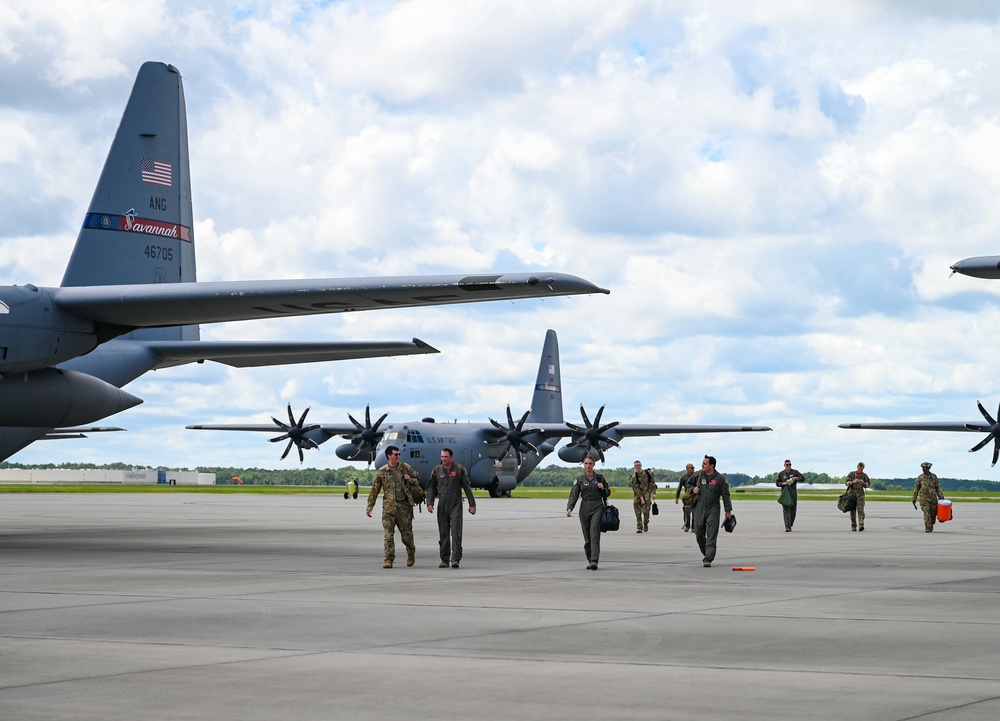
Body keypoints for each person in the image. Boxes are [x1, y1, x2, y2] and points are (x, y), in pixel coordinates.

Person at [366, 446, 421, 568]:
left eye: (399, 454)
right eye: (396, 454)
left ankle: (411, 552)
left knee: (407, 535)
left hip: (404, 508)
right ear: (389, 456)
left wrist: (410, 479)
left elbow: (418, 480)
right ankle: (388, 559)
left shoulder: (405, 467)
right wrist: (370, 506)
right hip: (388, 508)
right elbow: (375, 490)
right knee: (388, 535)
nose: (398, 456)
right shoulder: (382, 471)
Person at [426, 447, 477, 568]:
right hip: (442, 505)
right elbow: (431, 487)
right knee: (443, 533)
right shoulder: (437, 470)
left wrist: (472, 504)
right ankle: (444, 559)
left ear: (451, 457)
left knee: (456, 532)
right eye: (442, 457)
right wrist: (430, 503)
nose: (444, 459)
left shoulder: (459, 470)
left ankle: (455, 559)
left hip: (456, 505)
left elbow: (467, 487)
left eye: (446, 457)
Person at [566, 457, 610, 570]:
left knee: (594, 532)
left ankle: (595, 560)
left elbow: (608, 492)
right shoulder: (580, 479)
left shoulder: (600, 478)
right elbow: (574, 494)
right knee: (587, 537)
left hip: (597, 506)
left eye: (590, 463)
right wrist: (570, 508)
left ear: (594, 465)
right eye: (586, 463)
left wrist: (603, 488)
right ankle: (590, 560)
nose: (588, 465)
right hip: (584, 507)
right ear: (583, 465)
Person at [690, 455, 733, 567]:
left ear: (712, 465)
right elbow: (689, 484)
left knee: (711, 533)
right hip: (699, 507)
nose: (702, 465)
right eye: (702, 463)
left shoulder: (720, 479)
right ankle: (707, 552)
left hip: (713, 508)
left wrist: (728, 510)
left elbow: (725, 495)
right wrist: (692, 489)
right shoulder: (698, 475)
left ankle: (708, 558)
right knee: (699, 533)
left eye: (705, 463)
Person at [912, 461, 945, 533]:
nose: (923, 469)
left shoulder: (934, 477)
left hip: (933, 500)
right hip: (924, 499)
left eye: (925, 468)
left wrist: (941, 498)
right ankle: (927, 528)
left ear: (928, 468)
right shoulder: (920, 478)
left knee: (933, 515)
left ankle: (930, 525)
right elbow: (916, 489)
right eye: (922, 468)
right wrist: (914, 499)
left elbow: (938, 488)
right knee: (926, 513)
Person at [629, 459, 657, 533]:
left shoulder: (648, 473)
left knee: (646, 513)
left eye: (638, 465)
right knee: (638, 513)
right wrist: (641, 498)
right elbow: (636, 489)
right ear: (634, 467)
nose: (637, 467)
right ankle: (639, 527)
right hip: (638, 496)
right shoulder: (634, 477)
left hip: (647, 495)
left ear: (641, 466)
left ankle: (645, 524)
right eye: (636, 466)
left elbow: (653, 484)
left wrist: (654, 493)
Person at [776, 460, 803, 532]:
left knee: (793, 511)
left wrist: (796, 478)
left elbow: (802, 478)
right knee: (786, 510)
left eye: (789, 464)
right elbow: (777, 483)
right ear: (784, 465)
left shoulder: (795, 472)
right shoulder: (781, 474)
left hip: (793, 494)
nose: (788, 466)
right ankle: (787, 526)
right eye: (787, 465)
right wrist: (783, 483)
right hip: (785, 494)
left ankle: (790, 523)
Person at [845, 462, 870, 532]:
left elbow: (868, 484)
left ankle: (861, 524)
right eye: (859, 468)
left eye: (861, 469)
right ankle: (853, 526)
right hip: (852, 494)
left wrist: (863, 483)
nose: (860, 470)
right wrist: (853, 482)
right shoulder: (851, 474)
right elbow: (846, 483)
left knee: (860, 510)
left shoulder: (864, 476)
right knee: (852, 511)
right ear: (857, 467)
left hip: (860, 494)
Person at [674, 462, 696, 531]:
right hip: (688, 498)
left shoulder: (696, 476)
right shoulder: (684, 477)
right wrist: (677, 497)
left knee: (695, 512)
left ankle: (693, 527)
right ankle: (687, 526)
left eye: (693, 468)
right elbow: (679, 487)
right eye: (692, 468)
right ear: (687, 469)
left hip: (696, 497)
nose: (693, 469)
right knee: (687, 512)